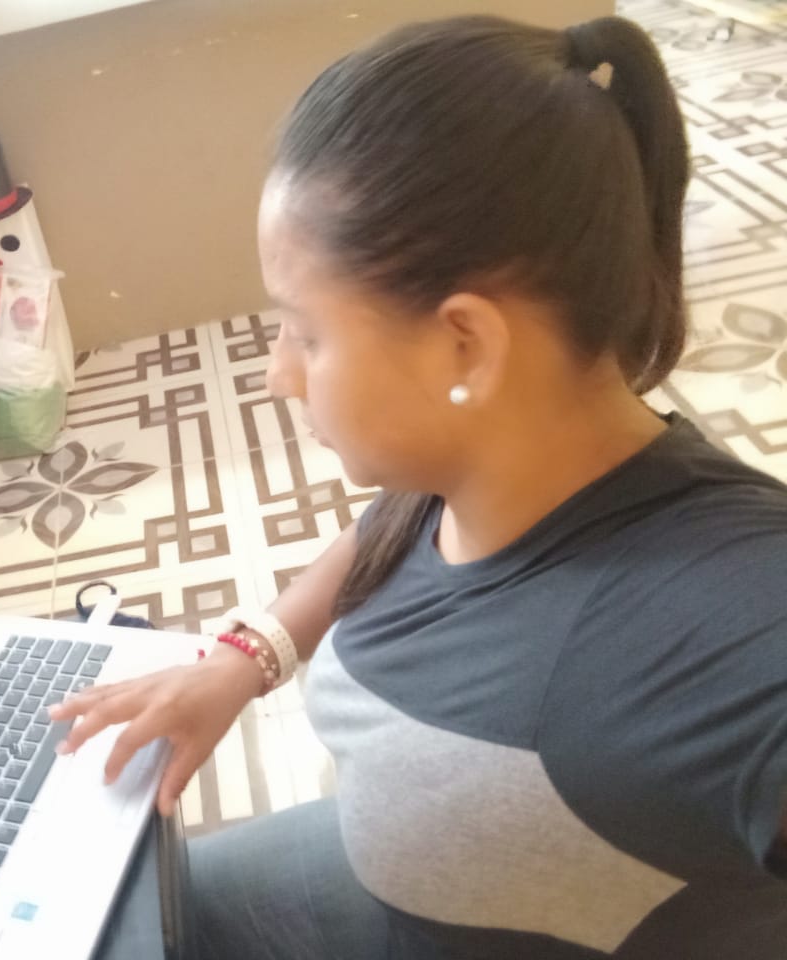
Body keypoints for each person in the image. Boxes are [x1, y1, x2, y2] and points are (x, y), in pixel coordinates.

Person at [49, 13, 787, 959]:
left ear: (464, 345)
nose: (277, 375)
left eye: (305, 333)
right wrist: (240, 661)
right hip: (387, 883)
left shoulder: (718, 630)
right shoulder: (488, 465)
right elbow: (386, 533)